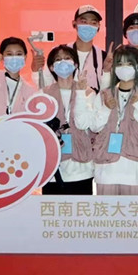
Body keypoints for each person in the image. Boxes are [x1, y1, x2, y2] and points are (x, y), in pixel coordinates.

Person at [74, 45, 138, 195]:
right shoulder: (104, 94)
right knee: (108, 209)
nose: (124, 68)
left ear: (137, 66)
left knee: (135, 209)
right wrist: (106, 109)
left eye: (129, 63)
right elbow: (94, 127)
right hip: (107, 170)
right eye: (120, 64)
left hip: (136, 171)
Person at [41, 45, 94, 195]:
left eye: (67, 58)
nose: (63, 62)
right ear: (51, 67)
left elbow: (86, 124)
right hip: (53, 170)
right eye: (58, 60)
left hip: (82, 169)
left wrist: (81, 94)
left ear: (75, 64)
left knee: (80, 209)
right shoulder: (43, 95)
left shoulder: (88, 92)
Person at [32, 5, 113, 93]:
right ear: (74, 24)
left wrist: (107, 71)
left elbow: (105, 92)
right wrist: (36, 70)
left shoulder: (103, 57)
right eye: (84, 22)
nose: (88, 26)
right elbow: (45, 87)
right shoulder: (59, 53)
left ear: (98, 27)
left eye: (93, 23)